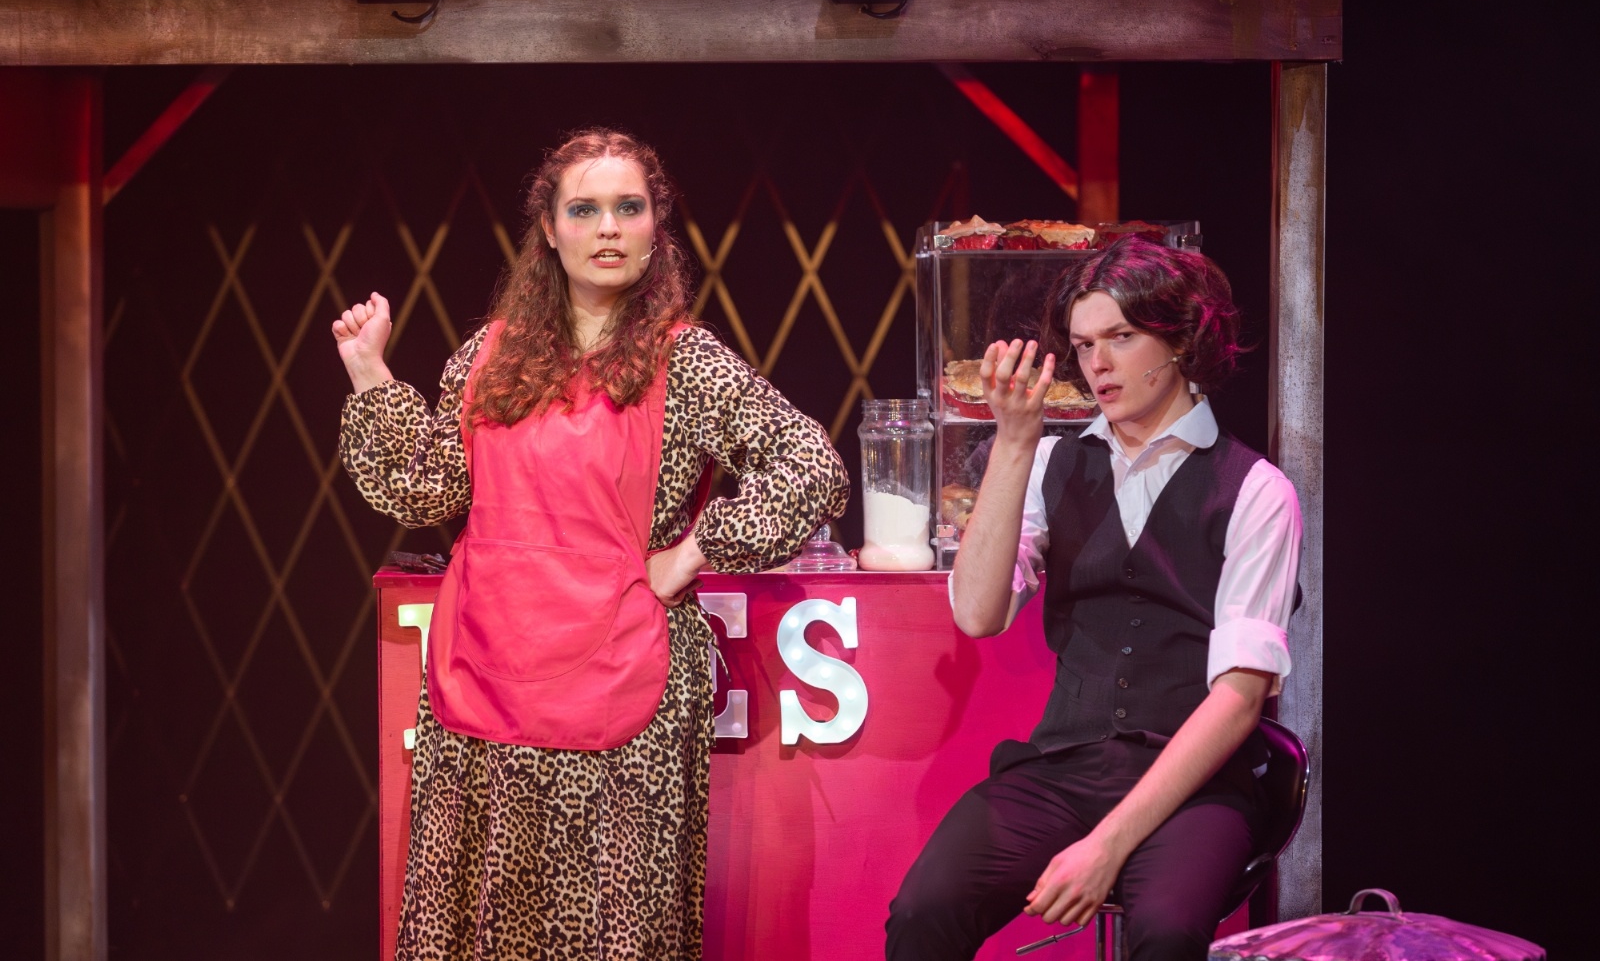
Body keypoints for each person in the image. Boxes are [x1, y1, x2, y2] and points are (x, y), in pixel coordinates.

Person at [333, 127, 850, 960]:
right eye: (584, 209)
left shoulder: (687, 362)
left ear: (655, 227)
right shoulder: (488, 356)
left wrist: (697, 551)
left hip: (623, 691)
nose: (608, 227)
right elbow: (423, 492)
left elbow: (812, 467)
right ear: (549, 229)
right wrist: (368, 371)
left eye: (628, 207)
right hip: (484, 680)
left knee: (612, 937)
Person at [885, 238, 1301, 961]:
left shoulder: (1256, 490)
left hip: (1196, 783)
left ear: (1183, 340)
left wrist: (1108, 844)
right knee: (926, 908)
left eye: (1121, 337)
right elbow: (977, 614)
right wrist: (1014, 444)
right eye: (1083, 345)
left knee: (1164, 930)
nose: (1097, 364)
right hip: (1063, 767)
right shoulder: (1053, 462)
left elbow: (1238, 700)